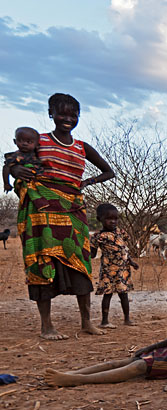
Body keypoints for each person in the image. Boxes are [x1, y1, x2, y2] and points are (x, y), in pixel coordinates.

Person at [9, 93, 115, 340]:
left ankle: (86, 322)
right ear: (51, 114)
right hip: (41, 209)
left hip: (73, 210)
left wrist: (87, 182)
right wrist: (16, 170)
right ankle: (47, 326)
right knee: (42, 261)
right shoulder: (39, 140)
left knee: (81, 262)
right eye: (62, 114)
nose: (68, 119)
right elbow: (14, 162)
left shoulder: (82, 147)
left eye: (73, 115)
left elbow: (108, 171)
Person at [45, 270, 167, 387]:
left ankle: (80, 380)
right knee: (125, 361)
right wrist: (151, 347)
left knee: (138, 367)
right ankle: (74, 374)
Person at [90, 203, 139, 328]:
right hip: (108, 271)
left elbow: (124, 249)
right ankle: (104, 321)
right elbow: (92, 254)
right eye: (108, 218)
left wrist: (131, 262)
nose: (113, 221)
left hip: (123, 270)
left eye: (115, 219)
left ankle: (127, 319)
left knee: (124, 294)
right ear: (99, 219)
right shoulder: (98, 236)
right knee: (108, 294)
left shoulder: (120, 232)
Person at [3, 126, 43, 194]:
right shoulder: (15, 156)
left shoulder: (39, 154)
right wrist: (6, 183)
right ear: (15, 141)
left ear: (37, 145)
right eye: (20, 141)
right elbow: (6, 167)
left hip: (40, 182)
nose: (24, 144)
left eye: (29, 142)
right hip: (25, 183)